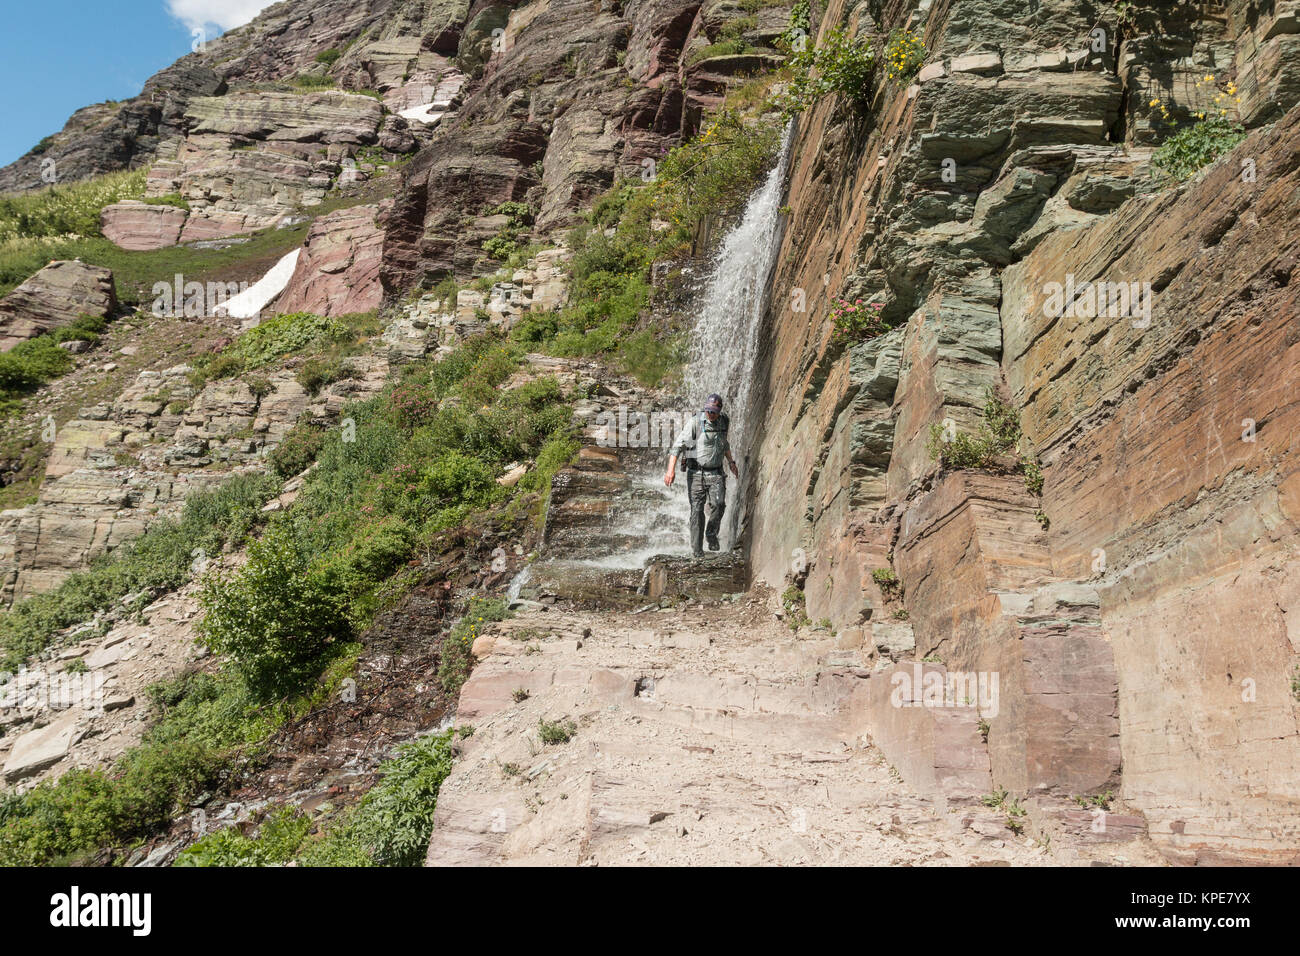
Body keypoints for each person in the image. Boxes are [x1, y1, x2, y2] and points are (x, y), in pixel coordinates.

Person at [664, 393, 739, 556]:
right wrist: (671, 470)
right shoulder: (695, 423)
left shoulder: (724, 421)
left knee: (719, 505)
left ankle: (711, 534)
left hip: (717, 473)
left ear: (719, 410)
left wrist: (731, 462)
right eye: (708, 411)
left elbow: (724, 443)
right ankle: (697, 551)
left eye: (713, 411)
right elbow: (677, 447)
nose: (710, 414)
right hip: (696, 474)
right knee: (697, 511)